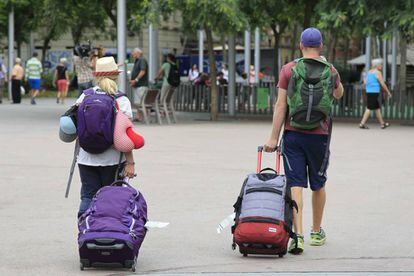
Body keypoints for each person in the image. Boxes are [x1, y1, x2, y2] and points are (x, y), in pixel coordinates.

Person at [263, 27, 344, 255]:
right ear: (320, 46)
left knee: (295, 183)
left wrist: (272, 137)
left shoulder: (289, 69)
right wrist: (331, 73)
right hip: (320, 136)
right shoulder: (331, 70)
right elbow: (339, 95)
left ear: (300, 45)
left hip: (293, 133)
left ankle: (296, 236)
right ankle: (316, 232)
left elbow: (281, 105)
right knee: (318, 183)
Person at [74, 56, 135, 217]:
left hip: (86, 158)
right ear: (116, 75)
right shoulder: (121, 100)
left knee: (88, 196)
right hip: (113, 159)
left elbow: (71, 127)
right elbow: (125, 136)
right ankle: (107, 234)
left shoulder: (84, 97)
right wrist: (130, 162)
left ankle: (85, 227)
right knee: (110, 198)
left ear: (96, 76)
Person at [359, 59, 392, 129]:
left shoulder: (369, 72)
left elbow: (365, 82)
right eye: (381, 64)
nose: (381, 66)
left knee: (377, 108)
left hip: (369, 92)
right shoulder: (377, 72)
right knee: (369, 108)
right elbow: (382, 83)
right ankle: (362, 124)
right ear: (377, 65)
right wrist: (388, 92)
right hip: (374, 92)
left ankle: (382, 124)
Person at [129, 48, 148, 120]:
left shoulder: (142, 60)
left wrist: (136, 80)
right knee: (138, 102)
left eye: (133, 52)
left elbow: (143, 71)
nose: (132, 54)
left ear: (138, 53)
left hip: (141, 85)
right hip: (138, 85)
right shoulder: (137, 61)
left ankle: (141, 117)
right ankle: (138, 116)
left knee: (140, 102)